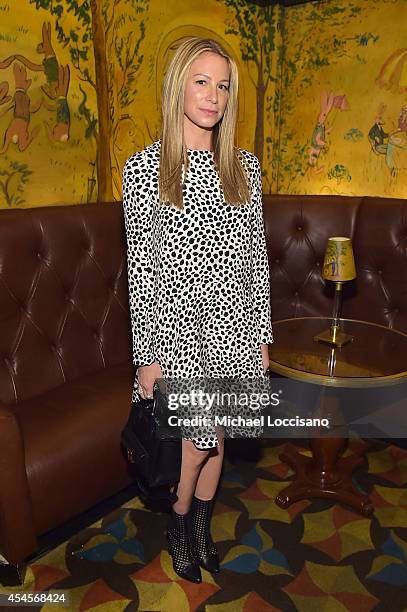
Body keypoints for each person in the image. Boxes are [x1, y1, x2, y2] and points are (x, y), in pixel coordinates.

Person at [122, 37, 273, 584]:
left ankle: (203, 527)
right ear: (178, 86)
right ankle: (179, 526)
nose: (214, 96)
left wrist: (259, 333)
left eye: (224, 85)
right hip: (177, 333)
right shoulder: (144, 171)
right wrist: (148, 359)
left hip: (233, 327)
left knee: (219, 436)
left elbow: (255, 259)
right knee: (190, 445)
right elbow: (142, 274)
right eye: (202, 81)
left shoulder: (243, 169)